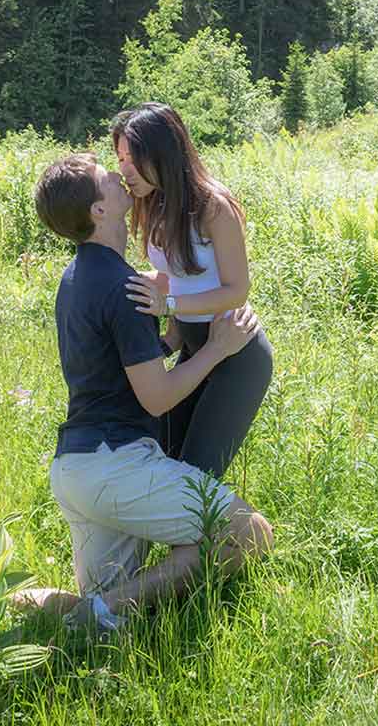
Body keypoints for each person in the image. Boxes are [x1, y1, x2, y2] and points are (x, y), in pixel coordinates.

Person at [26, 153, 274, 632]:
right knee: (250, 533)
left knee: (104, 598)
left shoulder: (76, 277)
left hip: (75, 468)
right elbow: (157, 398)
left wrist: (169, 339)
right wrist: (216, 349)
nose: (119, 176)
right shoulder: (123, 286)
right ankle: (104, 610)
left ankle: (15, 606)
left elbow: (116, 368)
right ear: (99, 210)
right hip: (116, 466)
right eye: (107, 177)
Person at [112, 103, 274, 479]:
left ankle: (245, 536)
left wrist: (167, 304)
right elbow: (177, 271)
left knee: (196, 477)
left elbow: (236, 290)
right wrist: (151, 285)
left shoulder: (214, 207)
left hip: (237, 353)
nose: (124, 170)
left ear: (164, 152)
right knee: (162, 459)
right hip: (195, 347)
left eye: (133, 159)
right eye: (120, 158)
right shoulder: (153, 202)